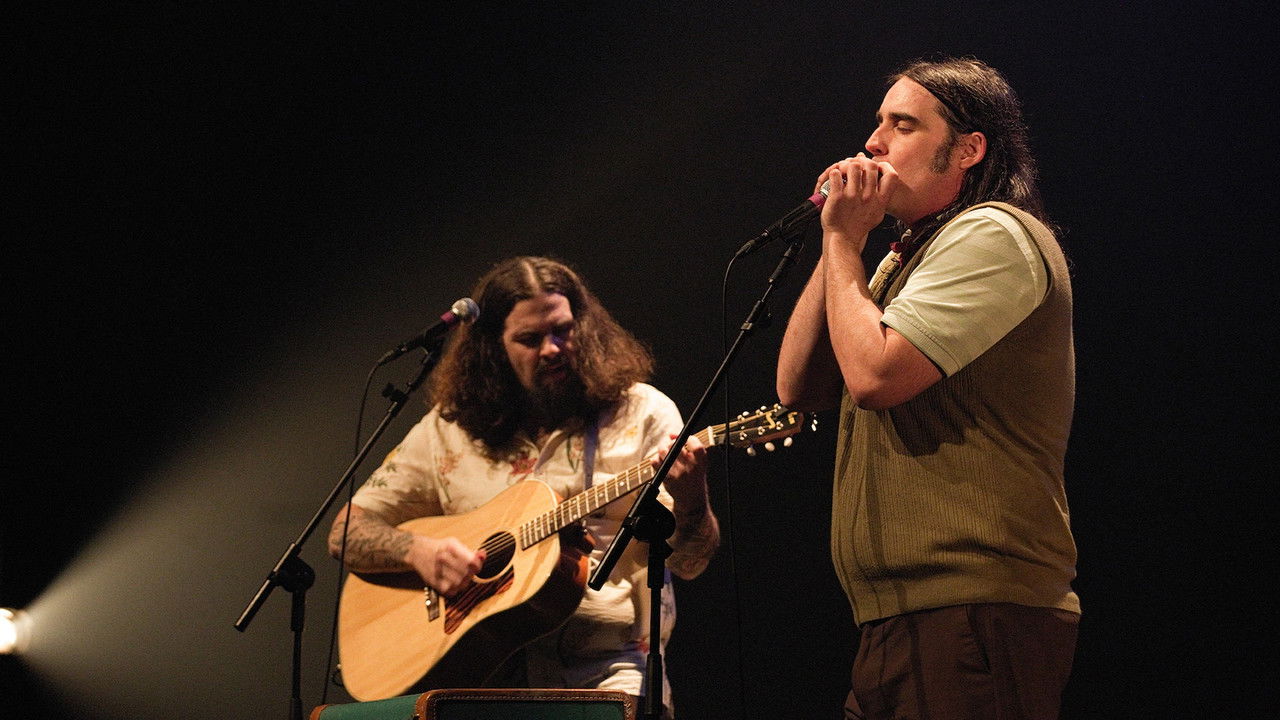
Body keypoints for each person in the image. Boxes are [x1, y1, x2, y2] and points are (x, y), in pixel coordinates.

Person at [776, 58, 1079, 719]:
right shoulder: (905, 257)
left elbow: (875, 376)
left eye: (903, 125)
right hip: (899, 618)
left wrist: (844, 243)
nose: (873, 143)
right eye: (877, 123)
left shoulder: (995, 233)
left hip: (973, 612)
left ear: (968, 149)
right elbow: (797, 386)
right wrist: (839, 243)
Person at [329, 256, 718, 716]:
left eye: (563, 330)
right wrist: (418, 552)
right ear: (493, 346)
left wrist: (692, 498)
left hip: (609, 674)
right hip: (480, 680)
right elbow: (345, 533)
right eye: (530, 339)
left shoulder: (643, 414)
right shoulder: (449, 430)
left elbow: (690, 563)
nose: (552, 349)